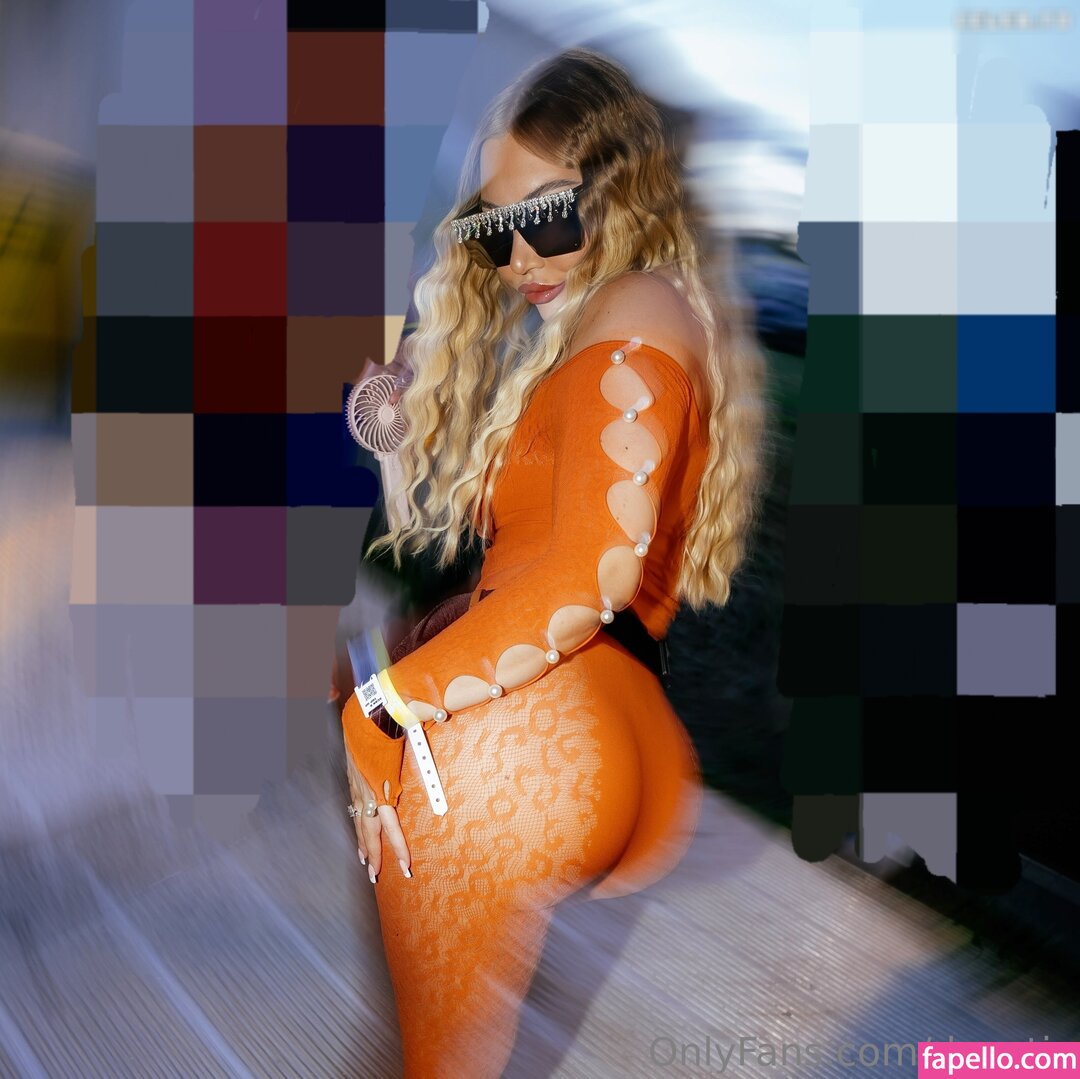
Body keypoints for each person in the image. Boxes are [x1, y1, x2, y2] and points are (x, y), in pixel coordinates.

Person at [340, 47, 766, 1078]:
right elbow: (517, 533)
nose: (523, 255)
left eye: (552, 217)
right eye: (495, 229)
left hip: (549, 732)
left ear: (620, 195)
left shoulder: (638, 305)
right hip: (571, 720)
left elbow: (587, 574)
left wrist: (387, 706)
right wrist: (393, 410)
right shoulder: (606, 323)